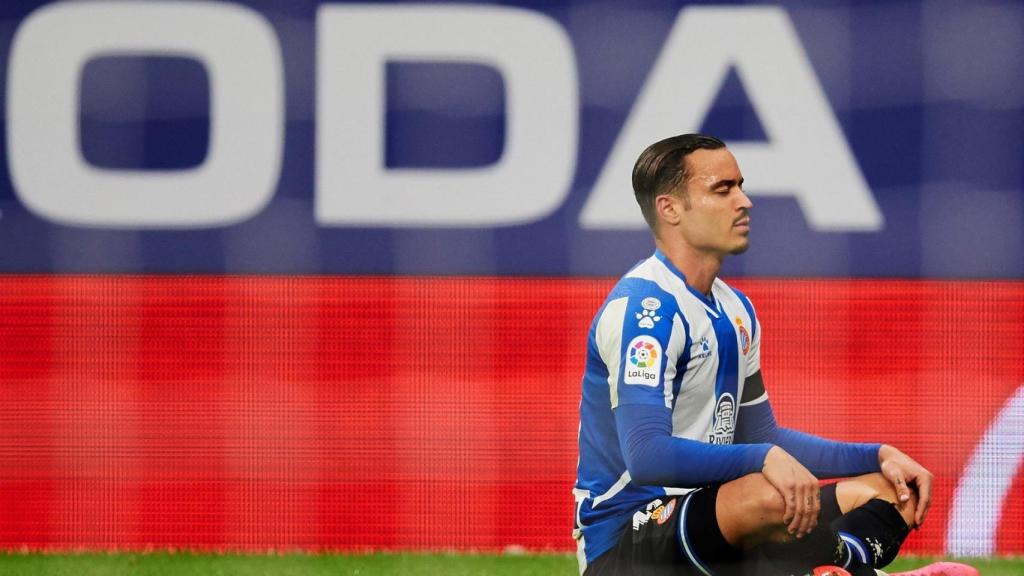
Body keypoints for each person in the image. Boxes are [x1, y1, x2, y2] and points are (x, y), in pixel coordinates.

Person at [572, 134, 977, 576]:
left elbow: (763, 436)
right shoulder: (644, 313)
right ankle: (864, 572)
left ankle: (840, 568)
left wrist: (878, 454)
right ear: (670, 209)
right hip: (626, 540)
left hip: (716, 522)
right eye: (722, 190)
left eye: (740, 186)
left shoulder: (736, 310)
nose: (744, 202)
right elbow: (647, 456)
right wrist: (761, 459)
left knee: (893, 489)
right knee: (765, 495)